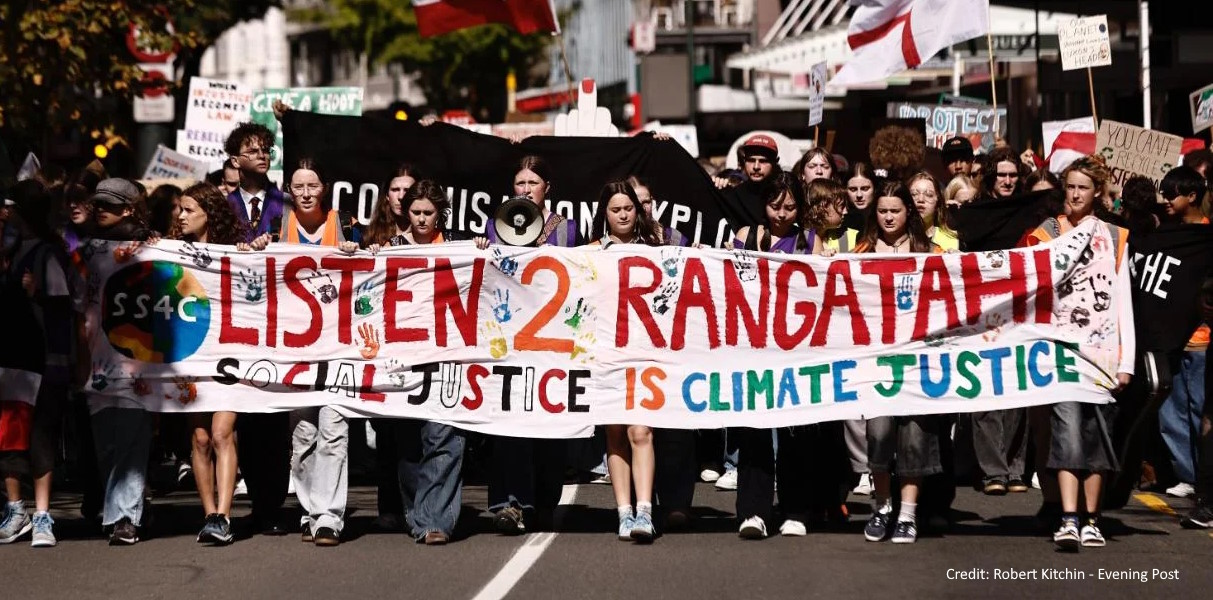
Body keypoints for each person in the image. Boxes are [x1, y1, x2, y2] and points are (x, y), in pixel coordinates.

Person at [1022, 156, 1134, 551]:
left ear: (1097, 193)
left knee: (1096, 438)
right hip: (1060, 353)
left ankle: (1092, 519)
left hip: (1102, 355)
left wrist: (1127, 362)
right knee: (1066, 433)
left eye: (1082, 187)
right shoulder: (1046, 234)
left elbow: (1123, 303)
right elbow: (1024, 285)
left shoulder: (1116, 237)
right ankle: (1068, 518)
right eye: (1069, 186)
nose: (1074, 194)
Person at [731, 173, 843, 540]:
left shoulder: (811, 242)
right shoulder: (745, 237)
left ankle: (796, 508)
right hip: (752, 346)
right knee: (754, 431)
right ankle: (753, 510)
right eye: (774, 205)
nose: (781, 214)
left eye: (790, 207)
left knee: (797, 431)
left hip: (797, 348)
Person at [474, 155, 578, 535]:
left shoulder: (566, 229)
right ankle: (510, 503)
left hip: (553, 342)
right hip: (508, 339)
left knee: (549, 426)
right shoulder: (494, 225)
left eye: (533, 183)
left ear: (547, 188)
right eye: (519, 183)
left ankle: (545, 502)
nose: (525, 190)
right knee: (509, 424)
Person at [165, 183, 261, 545]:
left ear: (209, 212)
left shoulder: (233, 252)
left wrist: (250, 255)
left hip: (229, 353)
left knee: (222, 432)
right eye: (180, 210)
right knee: (201, 437)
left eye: (189, 209)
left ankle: (223, 515)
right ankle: (208, 515)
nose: (182, 216)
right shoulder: (171, 252)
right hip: (191, 353)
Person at [854, 182, 944, 545]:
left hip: (919, 362)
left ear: (909, 212)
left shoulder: (931, 252)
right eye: (882, 211)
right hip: (876, 362)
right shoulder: (859, 252)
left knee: (914, 437)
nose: (889, 217)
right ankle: (881, 506)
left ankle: (907, 514)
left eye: (895, 210)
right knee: (878, 434)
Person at [278, 158, 357, 546]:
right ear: (289, 191)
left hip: (339, 348)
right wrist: (255, 248)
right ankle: (312, 510)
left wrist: (357, 251)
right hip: (296, 351)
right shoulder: (280, 226)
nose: (306, 193)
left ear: (324, 188)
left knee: (334, 429)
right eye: (298, 187)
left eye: (312, 186)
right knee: (304, 435)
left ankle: (330, 517)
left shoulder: (345, 225)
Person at [222, 122, 292, 538]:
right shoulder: (220, 204)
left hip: (281, 320)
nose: (262, 156)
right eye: (252, 150)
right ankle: (258, 504)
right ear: (235, 161)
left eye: (266, 149)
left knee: (274, 415)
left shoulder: (285, 203)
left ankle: (273, 505)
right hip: (238, 323)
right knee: (244, 416)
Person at [585, 181, 662, 542]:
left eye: (628, 208)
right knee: (615, 432)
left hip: (645, 352)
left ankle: (645, 511)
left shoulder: (657, 251)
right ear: (605, 214)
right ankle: (623, 512)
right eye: (615, 209)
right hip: (606, 354)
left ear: (638, 210)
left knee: (641, 430)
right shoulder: (589, 253)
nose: (622, 215)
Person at [82, 178, 157, 545]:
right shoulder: (86, 250)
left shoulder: (153, 247)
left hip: (136, 363)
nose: (100, 209)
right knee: (107, 447)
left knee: (130, 442)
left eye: (109, 205)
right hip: (97, 361)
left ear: (129, 209)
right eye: (97, 203)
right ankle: (124, 506)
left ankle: (125, 518)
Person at [0, 180, 74, 548]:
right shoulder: (11, 251)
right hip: (11, 360)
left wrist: (36, 294)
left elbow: (64, 306)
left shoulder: (46, 253)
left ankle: (42, 514)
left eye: (10, 206)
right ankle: (17, 510)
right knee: (10, 437)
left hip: (43, 361)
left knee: (40, 435)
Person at [361, 164, 421, 532]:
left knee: (412, 430)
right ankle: (389, 506)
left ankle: (416, 506)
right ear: (388, 197)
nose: (401, 196)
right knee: (385, 430)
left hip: (417, 344)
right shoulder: (372, 236)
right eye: (395, 190)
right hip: (381, 343)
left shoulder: (431, 235)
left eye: (408, 190)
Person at [1156, 167, 1210, 499]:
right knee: (1171, 411)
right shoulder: (1165, 235)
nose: (1165, 200)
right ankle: (1187, 474)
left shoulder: (1206, 237)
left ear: (1191, 197)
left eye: (1171, 193)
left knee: (1200, 410)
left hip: (1202, 341)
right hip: (1172, 341)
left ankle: (1205, 477)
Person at [713, 134, 782, 225]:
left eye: (763, 161)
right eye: (751, 160)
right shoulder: (733, 196)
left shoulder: (783, 195)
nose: (756, 167)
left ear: (775, 162)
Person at [908, 171, 958, 251]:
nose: (920, 199)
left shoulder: (952, 240)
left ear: (938, 201)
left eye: (929, 195)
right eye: (914, 194)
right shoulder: (895, 239)